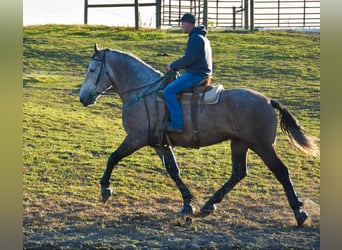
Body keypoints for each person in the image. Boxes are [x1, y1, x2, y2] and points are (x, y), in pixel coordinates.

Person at [163, 13, 213, 133]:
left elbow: (189, 59)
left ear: (189, 23)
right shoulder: (202, 37)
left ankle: (177, 125)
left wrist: (172, 66)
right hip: (201, 73)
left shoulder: (195, 38)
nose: (182, 26)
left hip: (196, 75)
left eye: (183, 23)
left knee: (168, 91)